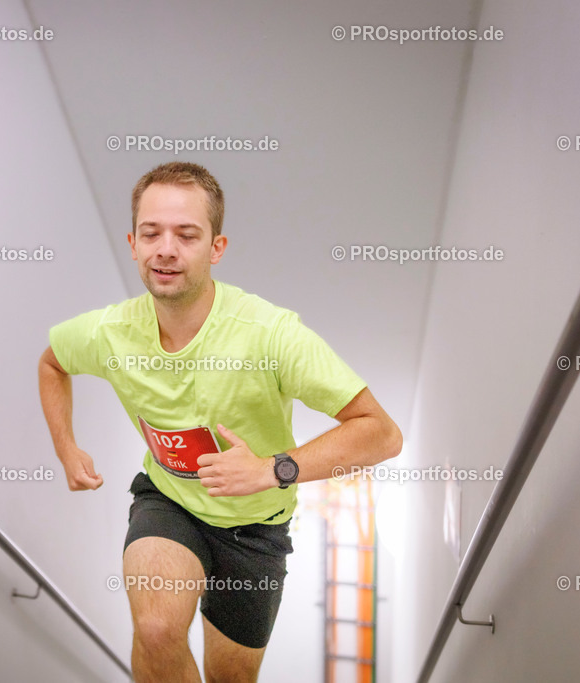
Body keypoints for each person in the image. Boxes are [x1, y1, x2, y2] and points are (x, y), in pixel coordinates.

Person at [38, 161, 401, 682]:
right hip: (169, 502)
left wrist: (273, 469)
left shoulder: (270, 334)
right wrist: (66, 447)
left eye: (186, 235)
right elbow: (52, 363)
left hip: (256, 528)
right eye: (151, 233)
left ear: (216, 248)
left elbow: (381, 433)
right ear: (133, 243)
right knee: (158, 630)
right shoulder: (110, 332)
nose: (166, 248)